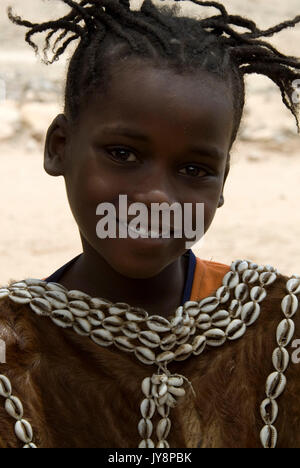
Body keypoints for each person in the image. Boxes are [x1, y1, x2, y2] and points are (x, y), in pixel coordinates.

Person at [0, 0, 299, 449]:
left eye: (195, 169)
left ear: (223, 184)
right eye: (123, 154)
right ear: (59, 147)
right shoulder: (12, 354)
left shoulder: (279, 329)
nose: (156, 197)